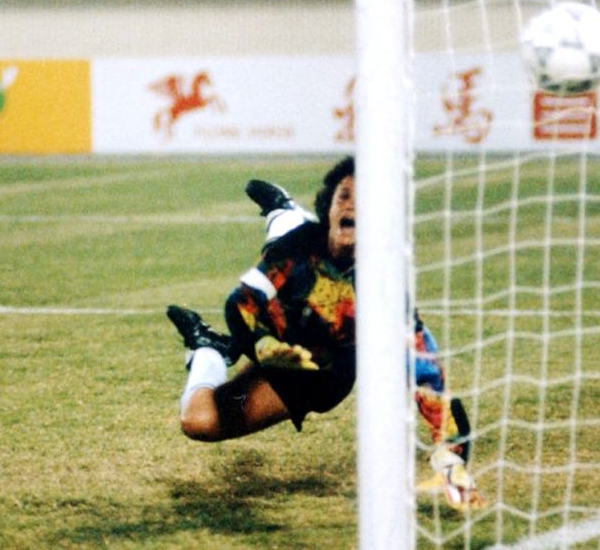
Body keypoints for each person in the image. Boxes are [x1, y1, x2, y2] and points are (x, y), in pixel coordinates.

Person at [166, 156, 486, 512]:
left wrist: (452, 453)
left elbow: (426, 371)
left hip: (316, 375)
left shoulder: (383, 285)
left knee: (197, 420)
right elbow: (239, 304)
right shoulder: (298, 248)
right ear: (330, 206)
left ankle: (207, 351)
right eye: (343, 195)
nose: (350, 204)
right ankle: (283, 213)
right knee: (288, 249)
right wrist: (263, 346)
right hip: (277, 335)